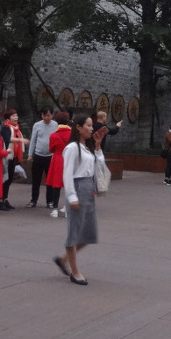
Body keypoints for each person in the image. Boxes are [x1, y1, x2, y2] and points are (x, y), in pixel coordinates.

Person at [52, 114, 107, 286]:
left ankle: (63, 260)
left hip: (88, 189)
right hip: (78, 187)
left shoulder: (86, 147)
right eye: (88, 125)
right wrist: (72, 196)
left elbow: (99, 166)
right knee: (74, 232)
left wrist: (97, 146)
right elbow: (67, 174)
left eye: (91, 125)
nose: (91, 128)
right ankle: (75, 272)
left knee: (89, 234)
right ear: (78, 127)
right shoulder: (72, 148)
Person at [0, 109, 28, 210]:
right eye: (13, 116)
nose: (16, 118)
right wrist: (20, 139)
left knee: (9, 179)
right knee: (5, 179)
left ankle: (5, 199)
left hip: (13, 157)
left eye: (16, 115)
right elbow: (7, 139)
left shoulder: (16, 128)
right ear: (8, 118)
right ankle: (0, 201)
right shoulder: (5, 127)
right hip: (6, 156)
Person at [28, 107, 57, 208]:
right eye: (44, 115)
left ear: (52, 115)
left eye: (48, 115)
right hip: (38, 155)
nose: (47, 117)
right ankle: (33, 200)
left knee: (50, 180)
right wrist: (30, 154)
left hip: (50, 156)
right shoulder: (37, 125)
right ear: (42, 115)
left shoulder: (55, 125)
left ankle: (49, 201)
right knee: (36, 180)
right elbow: (33, 140)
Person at [45, 112, 73, 214]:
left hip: (57, 159)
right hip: (69, 159)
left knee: (56, 185)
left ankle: (55, 209)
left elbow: (51, 149)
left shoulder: (54, 135)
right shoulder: (72, 134)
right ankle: (66, 208)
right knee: (68, 184)